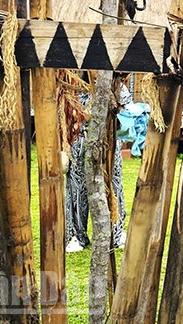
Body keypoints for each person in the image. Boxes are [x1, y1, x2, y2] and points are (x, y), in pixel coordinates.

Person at [65, 83, 130, 252]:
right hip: (79, 138)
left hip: (108, 139)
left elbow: (125, 110)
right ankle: (76, 235)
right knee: (77, 186)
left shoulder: (114, 83)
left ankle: (116, 232)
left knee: (114, 182)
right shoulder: (73, 84)